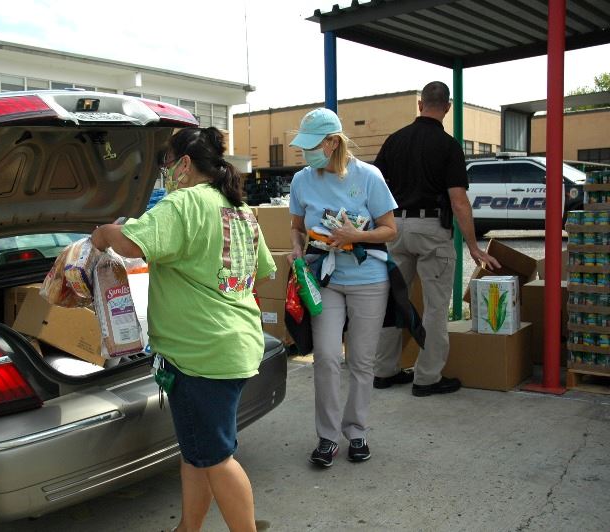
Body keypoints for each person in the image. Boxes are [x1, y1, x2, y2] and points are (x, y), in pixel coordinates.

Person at [92, 126, 275, 532]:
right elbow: (260, 271)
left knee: (217, 458)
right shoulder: (239, 209)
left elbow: (131, 244)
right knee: (198, 451)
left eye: (167, 165)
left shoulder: (184, 203)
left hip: (200, 353)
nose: (166, 174)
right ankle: (187, 528)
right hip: (236, 343)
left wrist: (104, 233)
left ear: (185, 164)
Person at [372, 81, 501, 397]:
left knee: (392, 301)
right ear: (447, 107)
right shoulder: (448, 146)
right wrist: (473, 247)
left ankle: (383, 371)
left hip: (394, 227)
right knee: (435, 306)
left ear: (420, 105)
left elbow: (373, 188)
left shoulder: (394, 140)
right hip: (431, 229)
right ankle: (426, 378)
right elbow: (459, 201)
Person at [288, 107, 399, 468]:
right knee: (326, 357)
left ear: (333, 143)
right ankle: (327, 436)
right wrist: (296, 249)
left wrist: (357, 235)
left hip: (369, 279)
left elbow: (390, 229)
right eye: (304, 146)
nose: (306, 153)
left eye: (312, 145)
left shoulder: (369, 176)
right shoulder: (301, 180)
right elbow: (296, 226)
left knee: (362, 361)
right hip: (325, 279)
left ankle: (357, 431)